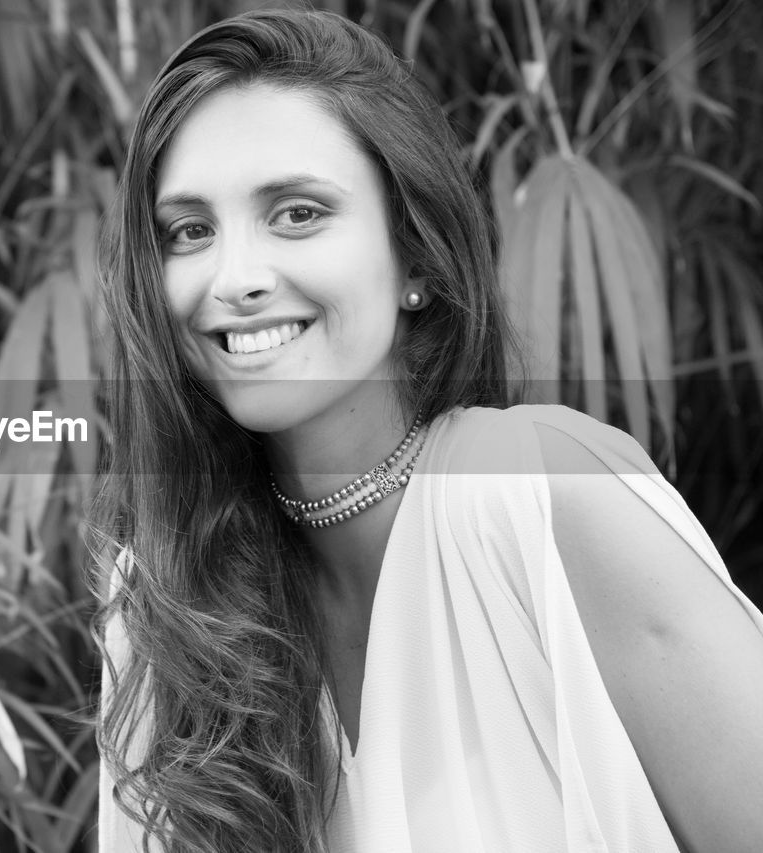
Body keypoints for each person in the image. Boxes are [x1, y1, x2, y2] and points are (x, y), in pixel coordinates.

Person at [90, 9, 763, 853]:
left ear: (413, 256)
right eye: (190, 231)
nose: (235, 278)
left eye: (297, 213)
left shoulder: (540, 500)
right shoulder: (159, 599)